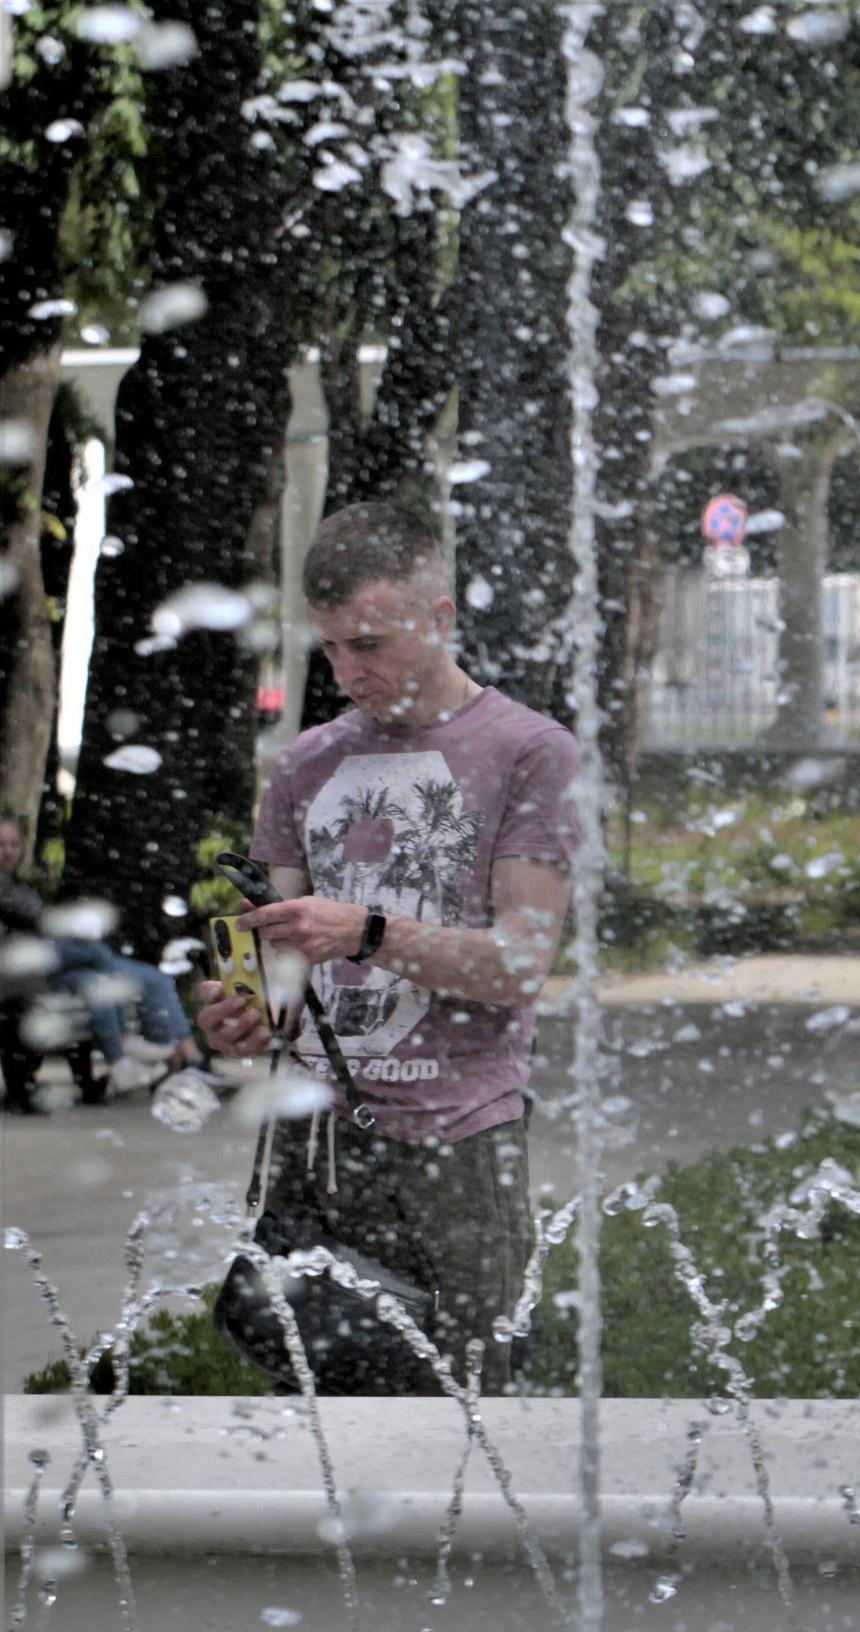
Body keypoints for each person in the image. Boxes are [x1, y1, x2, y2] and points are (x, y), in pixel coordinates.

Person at [196, 499, 580, 1393]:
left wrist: (366, 932)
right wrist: (240, 1011)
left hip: (458, 1141)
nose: (345, 671)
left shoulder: (530, 752)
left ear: (439, 619)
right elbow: (272, 959)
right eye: (330, 647)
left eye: (367, 644)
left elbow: (521, 965)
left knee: (470, 1407)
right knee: (319, 1409)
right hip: (314, 1144)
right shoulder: (302, 767)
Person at [0, 815, 206, 1092]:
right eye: (1, 844)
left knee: (120, 978)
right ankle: (151, 1052)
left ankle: (139, 1055)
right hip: (22, 973)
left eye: (14, 844)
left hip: (45, 969)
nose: (8, 851)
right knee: (97, 954)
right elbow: (38, 921)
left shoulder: (15, 884)